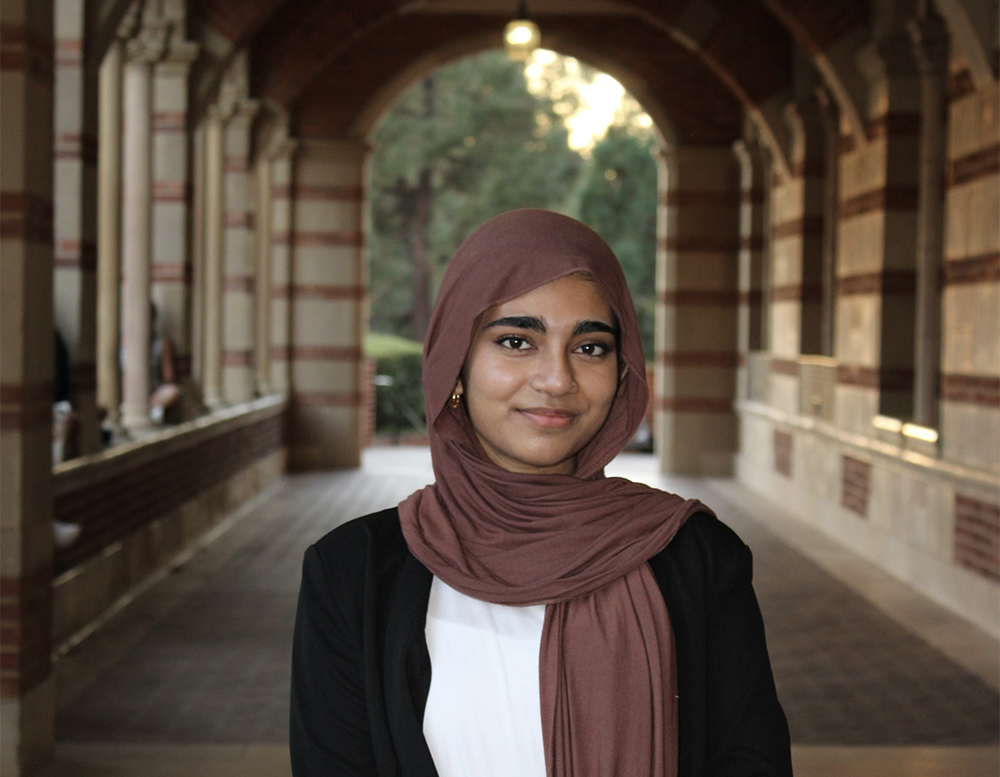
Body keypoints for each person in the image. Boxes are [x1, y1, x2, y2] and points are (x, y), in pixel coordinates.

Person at [290, 209, 792, 777]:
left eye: (590, 347)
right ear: (455, 365)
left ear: (622, 372)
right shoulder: (352, 572)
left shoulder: (695, 557)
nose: (557, 380)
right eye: (516, 340)